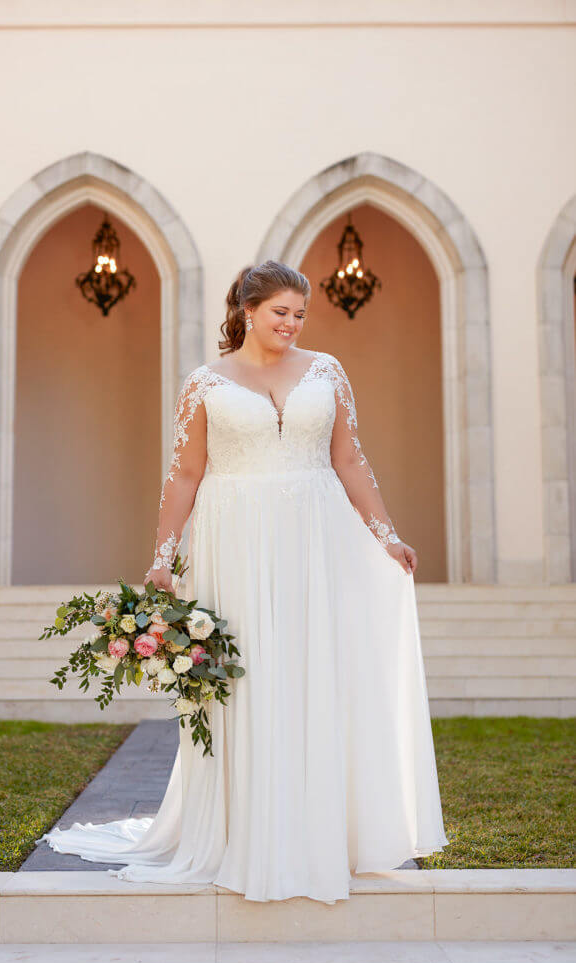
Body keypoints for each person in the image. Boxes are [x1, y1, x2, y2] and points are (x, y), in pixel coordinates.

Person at [39, 259, 449, 904]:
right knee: (249, 679)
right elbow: (184, 475)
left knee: (314, 672)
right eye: (279, 311)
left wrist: (386, 535)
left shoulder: (328, 371)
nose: (290, 323)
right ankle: (244, 832)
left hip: (317, 539)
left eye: (299, 313)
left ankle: (321, 832)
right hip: (235, 541)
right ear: (248, 310)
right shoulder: (205, 384)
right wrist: (163, 557)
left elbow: (349, 458)